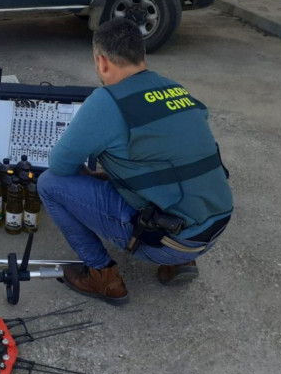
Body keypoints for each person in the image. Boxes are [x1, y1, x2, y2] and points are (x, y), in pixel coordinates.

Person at [37, 18, 233, 305]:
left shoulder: (107, 101)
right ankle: (182, 263)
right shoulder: (175, 89)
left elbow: (60, 166)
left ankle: (103, 276)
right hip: (215, 225)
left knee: (49, 184)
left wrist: (93, 175)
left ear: (102, 62)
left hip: (171, 241)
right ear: (141, 55)